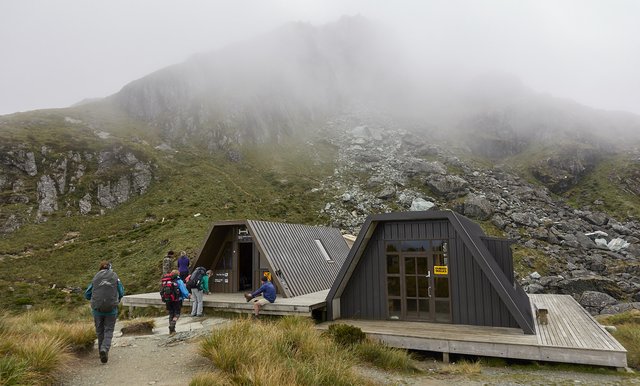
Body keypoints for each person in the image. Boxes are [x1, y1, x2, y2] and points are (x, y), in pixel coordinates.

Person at [85, 261, 125, 364]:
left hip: (97, 310)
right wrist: (117, 299)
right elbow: (121, 292)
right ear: (110, 268)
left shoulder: (96, 277)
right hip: (111, 309)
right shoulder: (115, 277)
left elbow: (87, 294)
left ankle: (101, 352)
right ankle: (105, 349)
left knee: (100, 331)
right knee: (109, 330)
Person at [164, 269, 190, 335]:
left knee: (171, 314)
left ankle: (172, 330)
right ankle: (172, 324)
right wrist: (188, 295)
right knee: (177, 314)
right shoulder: (179, 281)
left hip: (168, 300)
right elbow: (183, 290)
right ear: (178, 274)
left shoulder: (166, 281)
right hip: (177, 300)